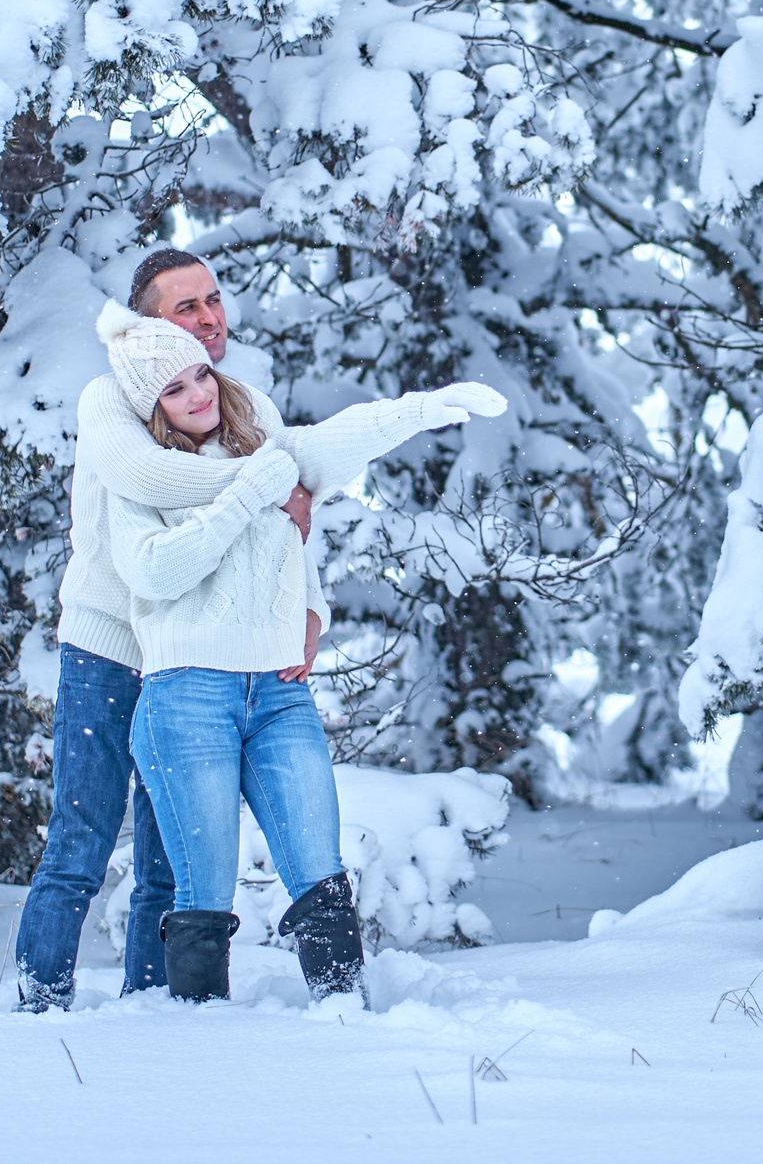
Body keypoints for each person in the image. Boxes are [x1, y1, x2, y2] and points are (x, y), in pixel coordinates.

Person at [96, 302, 505, 1002]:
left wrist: (427, 407)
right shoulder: (143, 479)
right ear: (151, 407)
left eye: (200, 375)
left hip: (278, 692)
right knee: (204, 884)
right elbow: (154, 573)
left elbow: (336, 452)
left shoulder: (267, 451)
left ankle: (344, 1013)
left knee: (320, 867)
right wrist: (240, 500)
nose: (198, 393)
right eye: (174, 388)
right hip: (186, 692)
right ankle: (199, 1032)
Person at [10, 249, 311, 1012]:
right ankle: (37, 1004)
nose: (211, 318)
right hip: (109, 643)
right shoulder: (107, 399)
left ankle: (156, 1009)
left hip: (195, 658)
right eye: (187, 307)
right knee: (80, 836)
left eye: (214, 299)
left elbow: (292, 539)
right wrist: (270, 482)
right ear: (146, 323)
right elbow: (148, 477)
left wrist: (311, 614)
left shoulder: (246, 405)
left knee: (171, 858)